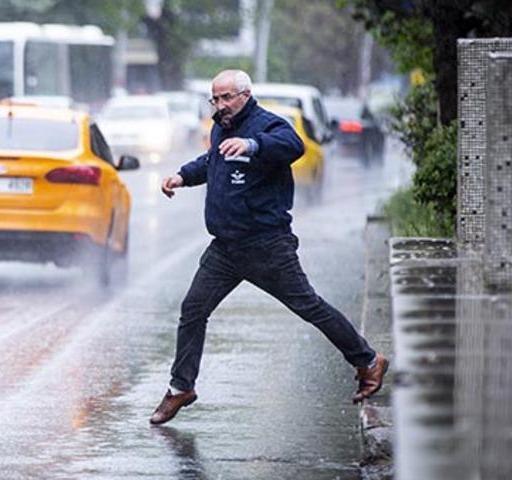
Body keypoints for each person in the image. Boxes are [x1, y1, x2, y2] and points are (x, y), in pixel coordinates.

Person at [149, 69, 388, 426]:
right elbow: (212, 162)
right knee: (193, 310)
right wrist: (182, 176)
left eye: (226, 97)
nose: (220, 105)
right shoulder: (221, 128)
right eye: (215, 99)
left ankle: (368, 361)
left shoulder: (269, 125)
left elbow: (293, 146)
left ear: (245, 95)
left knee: (310, 306)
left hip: (266, 246)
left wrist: (252, 145)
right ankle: (181, 387)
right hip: (225, 250)